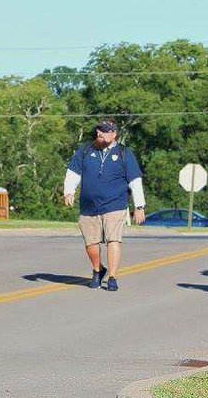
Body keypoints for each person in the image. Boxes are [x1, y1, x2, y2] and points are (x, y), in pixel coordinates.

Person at [63, 120, 146, 292]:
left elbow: (135, 181)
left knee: (113, 240)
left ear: (114, 134)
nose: (101, 133)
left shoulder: (124, 153)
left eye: (105, 131)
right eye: (99, 130)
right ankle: (98, 270)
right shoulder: (85, 150)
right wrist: (69, 191)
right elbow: (73, 173)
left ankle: (113, 277)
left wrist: (139, 206)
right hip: (88, 207)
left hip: (115, 205)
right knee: (91, 243)